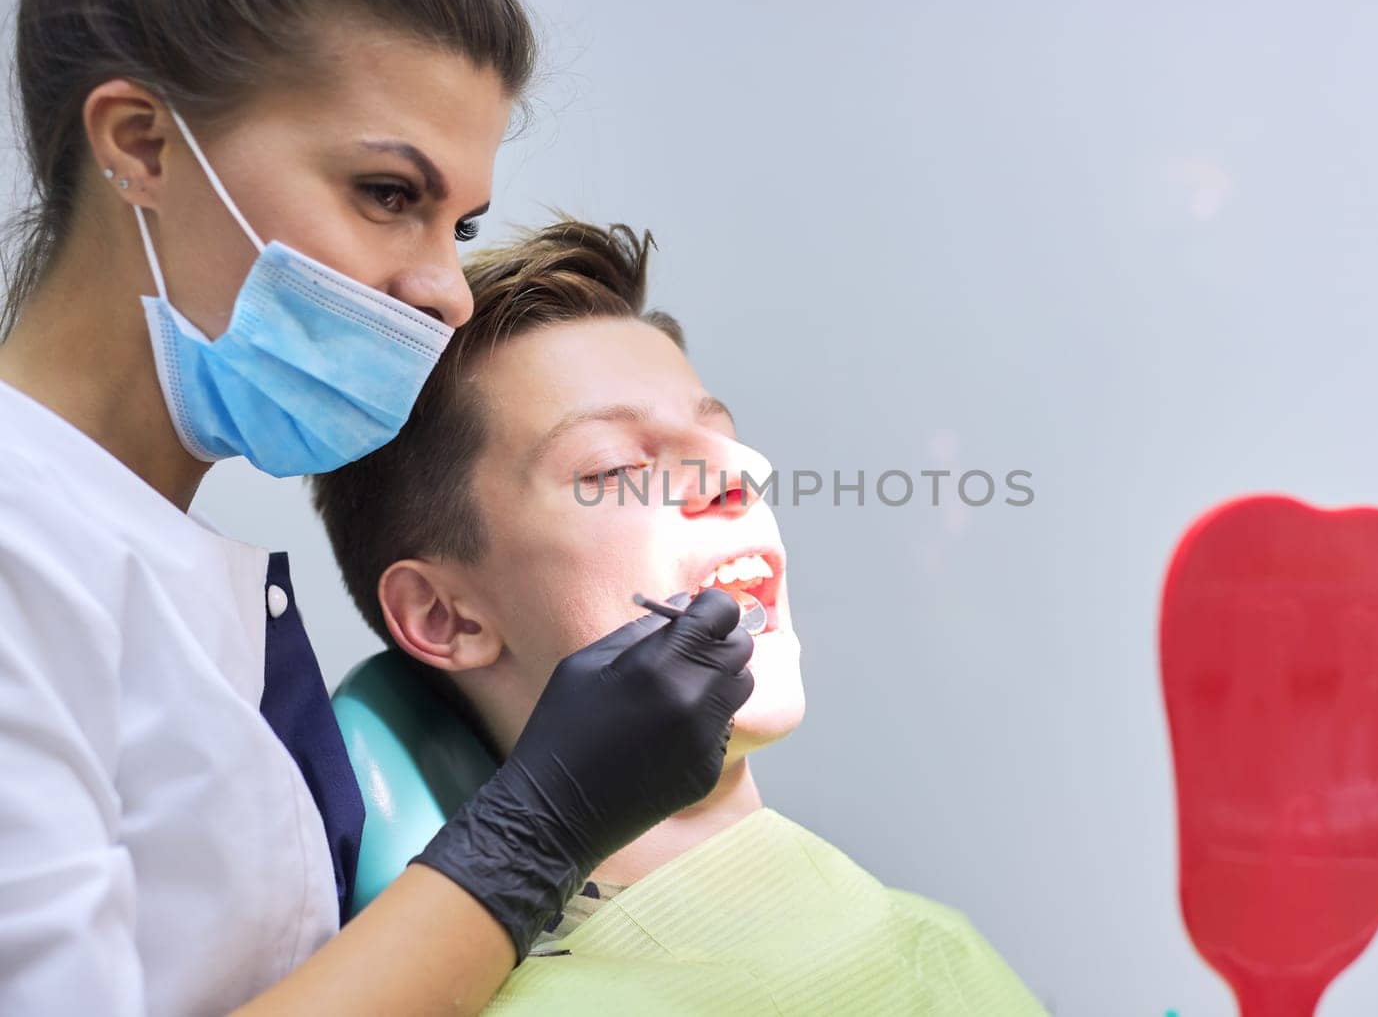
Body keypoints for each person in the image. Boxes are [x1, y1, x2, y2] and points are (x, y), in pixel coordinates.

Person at [0, 0, 752, 1013]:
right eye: (388, 194)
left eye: (463, 226)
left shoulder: (156, 557)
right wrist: (536, 832)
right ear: (142, 144)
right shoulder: (23, 542)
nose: (446, 292)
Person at [311, 220, 1045, 1014]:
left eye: (723, 438)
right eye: (616, 466)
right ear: (444, 616)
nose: (739, 475)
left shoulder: (933, 935)